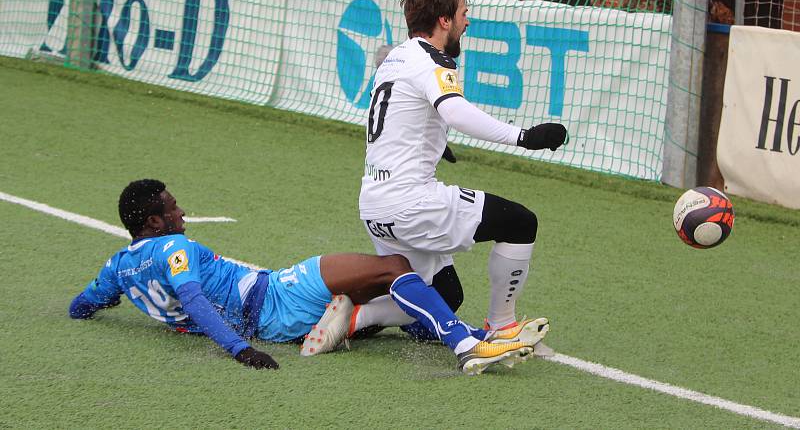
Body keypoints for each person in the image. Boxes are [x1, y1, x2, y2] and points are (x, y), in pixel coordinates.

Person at [68, 179, 542, 374]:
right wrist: (239, 350)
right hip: (274, 297)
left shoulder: (117, 267)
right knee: (394, 267)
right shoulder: (172, 247)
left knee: (382, 282)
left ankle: (367, 323)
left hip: (272, 321)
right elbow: (192, 299)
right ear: (153, 222)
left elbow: (82, 305)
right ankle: (469, 341)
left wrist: (86, 310)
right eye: (172, 208)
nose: (182, 211)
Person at [351, 0, 567, 342]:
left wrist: (434, 139)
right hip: (410, 204)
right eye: (464, 13)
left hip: (374, 207)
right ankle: (501, 327)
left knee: (446, 296)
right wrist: (525, 137)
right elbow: (455, 111)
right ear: (444, 20)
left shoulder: (395, 59)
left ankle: (358, 316)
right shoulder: (432, 61)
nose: (468, 21)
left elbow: (399, 117)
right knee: (519, 223)